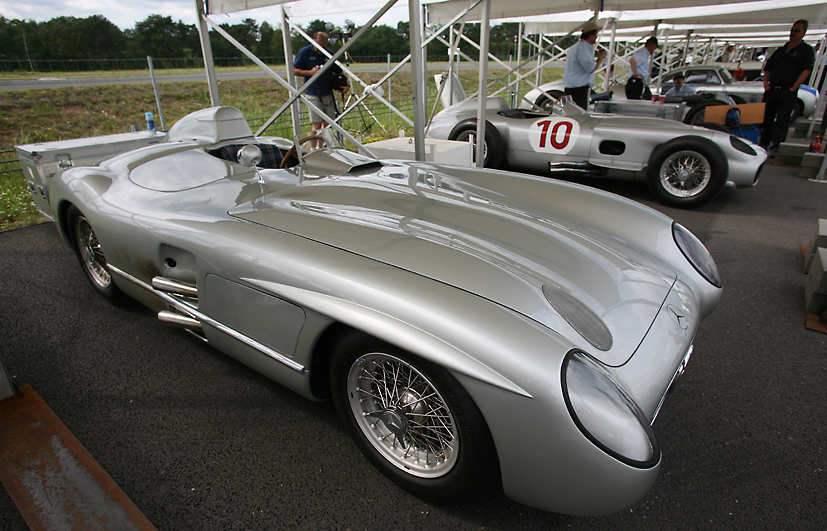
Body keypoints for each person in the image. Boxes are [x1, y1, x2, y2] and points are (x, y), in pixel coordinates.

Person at [760, 20, 815, 158]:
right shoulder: (781, 50)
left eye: (797, 31)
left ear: (803, 32)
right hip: (773, 89)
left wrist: (794, 86)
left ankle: (776, 147)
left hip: (788, 89)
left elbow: (807, 69)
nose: (793, 33)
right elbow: (768, 68)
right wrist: (766, 84)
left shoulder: (806, 50)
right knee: (767, 117)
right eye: (792, 30)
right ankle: (763, 144)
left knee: (782, 119)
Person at [293, 32, 350, 148]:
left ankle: (322, 146)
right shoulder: (305, 52)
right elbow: (294, 70)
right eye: (319, 44)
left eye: (324, 45)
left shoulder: (328, 53)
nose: (321, 48)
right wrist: (310, 73)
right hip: (313, 92)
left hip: (327, 91)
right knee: (317, 123)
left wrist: (344, 83)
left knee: (328, 123)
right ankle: (313, 149)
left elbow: (338, 70)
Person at [562, 21, 607, 110]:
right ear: (590, 34)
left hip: (573, 88)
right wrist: (600, 58)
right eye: (595, 34)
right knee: (579, 115)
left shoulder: (576, 47)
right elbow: (590, 68)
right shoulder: (583, 48)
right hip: (578, 90)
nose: (596, 37)